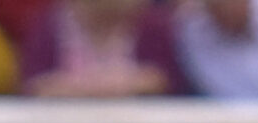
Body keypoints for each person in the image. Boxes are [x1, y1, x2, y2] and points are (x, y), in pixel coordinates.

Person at [19, 0, 189, 91]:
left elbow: (167, 78)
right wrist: (87, 88)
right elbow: (35, 84)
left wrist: (123, 84)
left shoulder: (154, 25)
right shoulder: (50, 23)